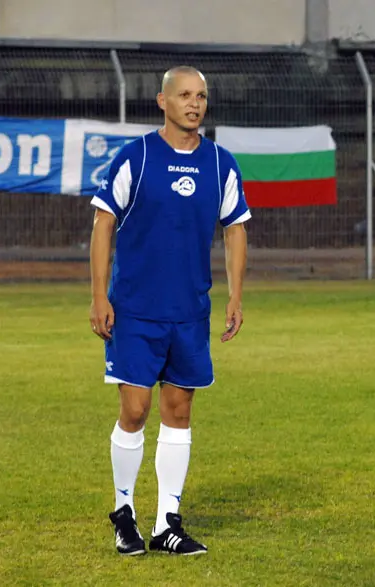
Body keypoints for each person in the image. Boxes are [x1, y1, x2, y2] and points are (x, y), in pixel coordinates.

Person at [89, 65, 250, 556]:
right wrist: (99, 295)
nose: (194, 103)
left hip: (189, 312)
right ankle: (124, 513)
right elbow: (102, 224)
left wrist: (235, 294)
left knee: (179, 410)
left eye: (201, 95)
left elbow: (236, 227)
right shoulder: (135, 156)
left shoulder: (221, 163)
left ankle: (166, 523)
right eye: (184, 95)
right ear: (162, 101)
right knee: (135, 411)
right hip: (135, 310)